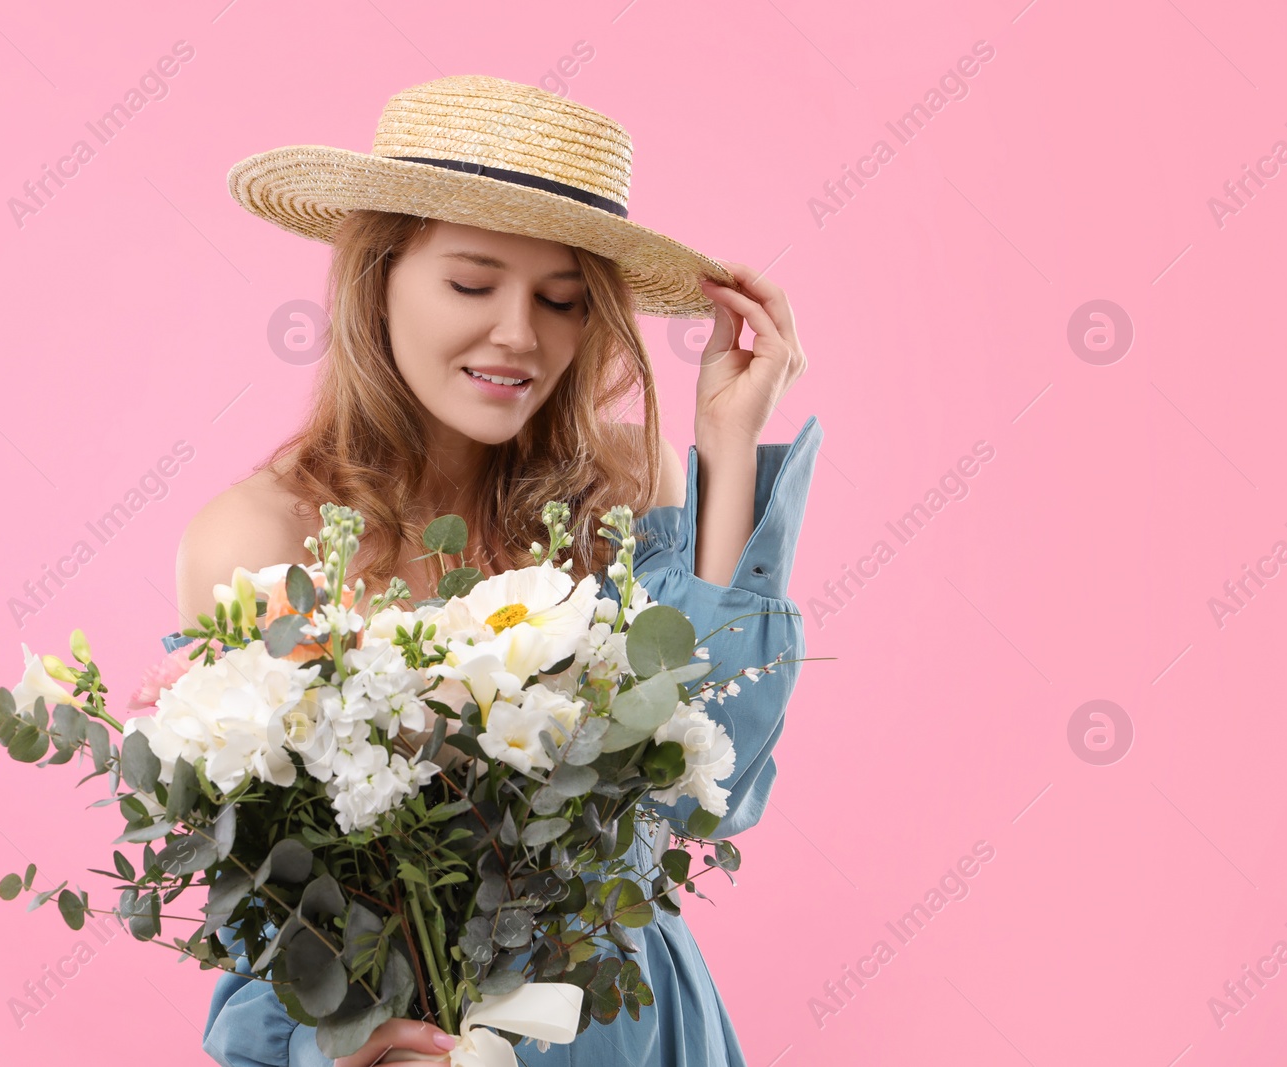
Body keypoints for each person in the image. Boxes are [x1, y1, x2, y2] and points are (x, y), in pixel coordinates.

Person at [166, 74, 821, 1067]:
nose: (518, 333)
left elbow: (709, 790)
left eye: (560, 299)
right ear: (377, 276)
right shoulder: (259, 536)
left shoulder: (623, 485)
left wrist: (727, 452)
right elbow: (263, 881)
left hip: (629, 1028)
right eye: (472, 284)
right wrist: (345, 1046)